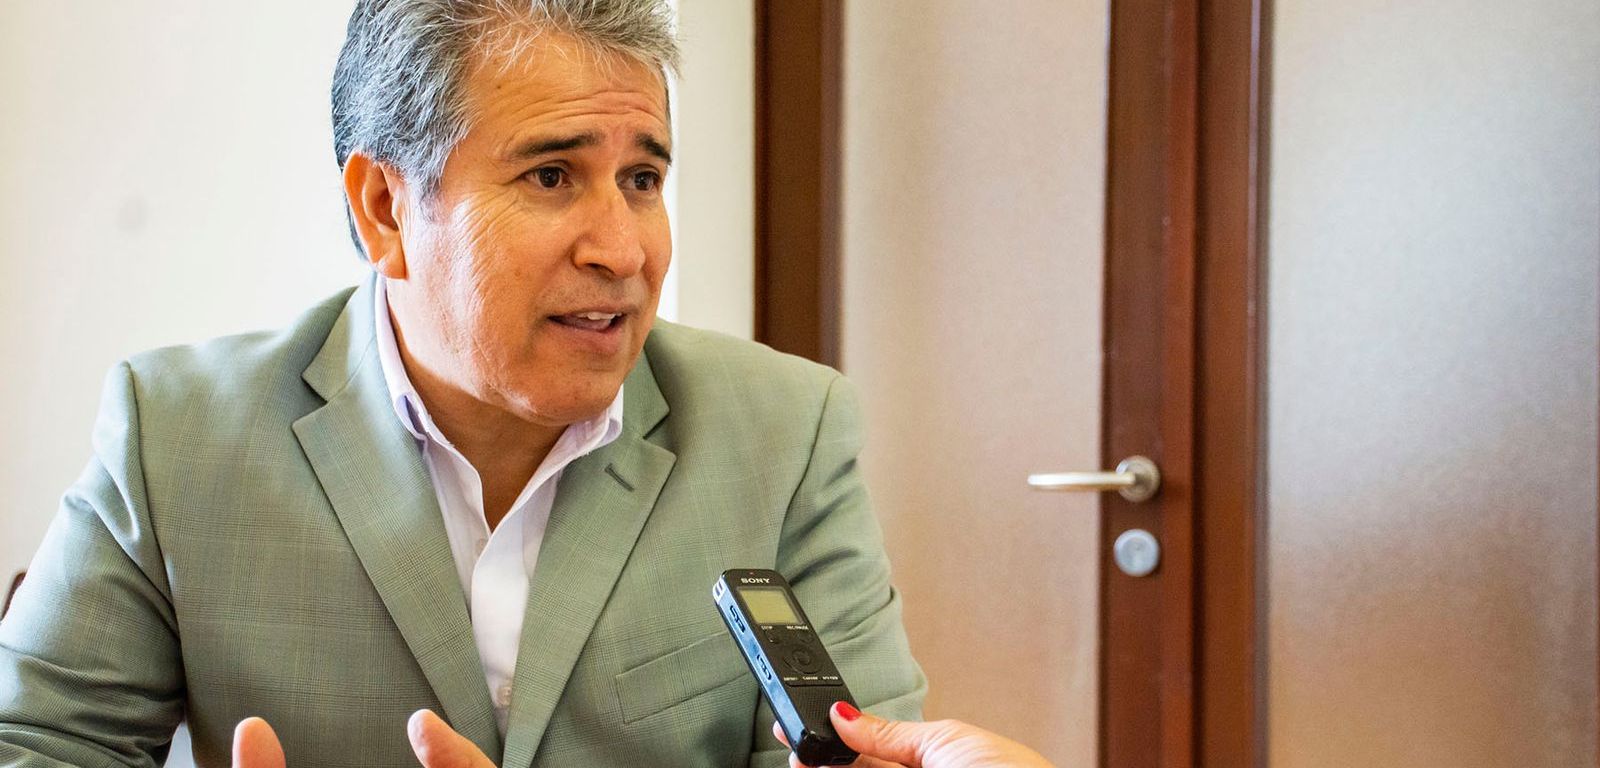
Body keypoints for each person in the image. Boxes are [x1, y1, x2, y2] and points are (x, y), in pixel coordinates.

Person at [0, 1, 924, 766]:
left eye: (642, 178)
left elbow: (865, 754)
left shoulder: (787, 436)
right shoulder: (175, 437)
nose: (624, 250)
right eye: (552, 175)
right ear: (385, 208)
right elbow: (34, 745)